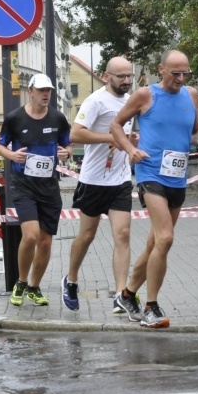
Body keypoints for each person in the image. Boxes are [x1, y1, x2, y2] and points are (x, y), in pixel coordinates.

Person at [110, 50, 198, 328]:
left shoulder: (190, 95)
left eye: (185, 73)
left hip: (177, 176)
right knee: (166, 238)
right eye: (175, 73)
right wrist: (130, 149)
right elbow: (116, 125)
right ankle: (151, 307)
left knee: (156, 242)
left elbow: (195, 131)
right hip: (150, 172)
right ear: (161, 70)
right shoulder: (145, 95)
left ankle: (127, 295)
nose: (180, 78)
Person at [63, 57, 141, 320]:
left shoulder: (131, 101)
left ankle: (121, 295)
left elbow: (126, 134)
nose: (126, 81)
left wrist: (130, 140)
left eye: (129, 76)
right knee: (86, 236)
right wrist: (112, 136)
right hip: (93, 180)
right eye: (120, 76)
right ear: (107, 76)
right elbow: (75, 135)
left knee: (123, 234)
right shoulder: (95, 101)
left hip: (119, 180)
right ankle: (71, 279)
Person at [0, 74, 71, 307]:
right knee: (30, 235)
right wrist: (11, 155)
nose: (46, 94)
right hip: (23, 184)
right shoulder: (15, 118)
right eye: (41, 90)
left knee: (46, 242)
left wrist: (66, 153)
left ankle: (34, 287)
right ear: (31, 91)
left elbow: (68, 143)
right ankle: (20, 281)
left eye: (48, 90)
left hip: (48, 186)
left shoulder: (58, 118)